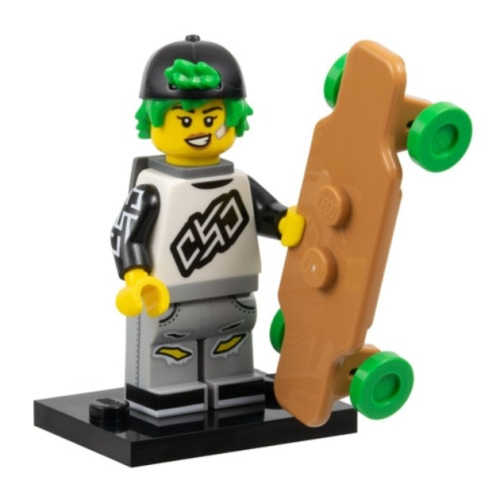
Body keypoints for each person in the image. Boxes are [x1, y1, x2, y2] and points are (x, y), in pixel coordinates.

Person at [111, 35, 304, 418]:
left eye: (212, 118)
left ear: (234, 118)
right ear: (153, 121)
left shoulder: (238, 182)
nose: (198, 129)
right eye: (184, 119)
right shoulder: (153, 187)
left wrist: (286, 221)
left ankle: (235, 396)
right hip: (167, 299)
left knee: (230, 347)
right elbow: (124, 234)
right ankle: (167, 402)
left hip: (235, 294)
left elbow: (266, 212)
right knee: (169, 355)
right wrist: (136, 277)